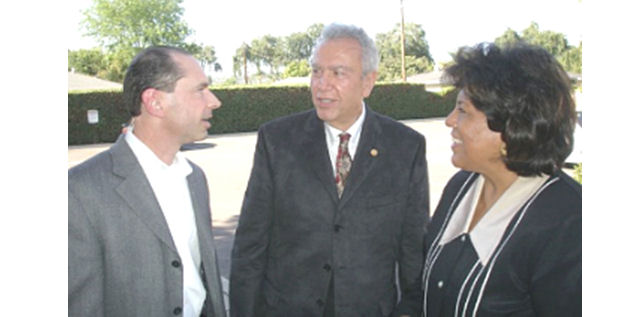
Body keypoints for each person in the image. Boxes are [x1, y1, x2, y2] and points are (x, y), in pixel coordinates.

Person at [229, 23, 430, 316]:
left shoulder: (405, 147)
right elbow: (250, 244)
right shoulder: (277, 141)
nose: (322, 84)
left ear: (368, 82)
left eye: (338, 73)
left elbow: (413, 251)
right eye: (316, 71)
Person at [419, 42, 581, 316]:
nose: (449, 121)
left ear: (513, 125)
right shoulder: (461, 187)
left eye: (463, 111)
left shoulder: (569, 220)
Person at [68, 46, 227, 317]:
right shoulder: (80, 190)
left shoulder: (195, 178)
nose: (214, 101)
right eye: (200, 90)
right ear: (155, 102)